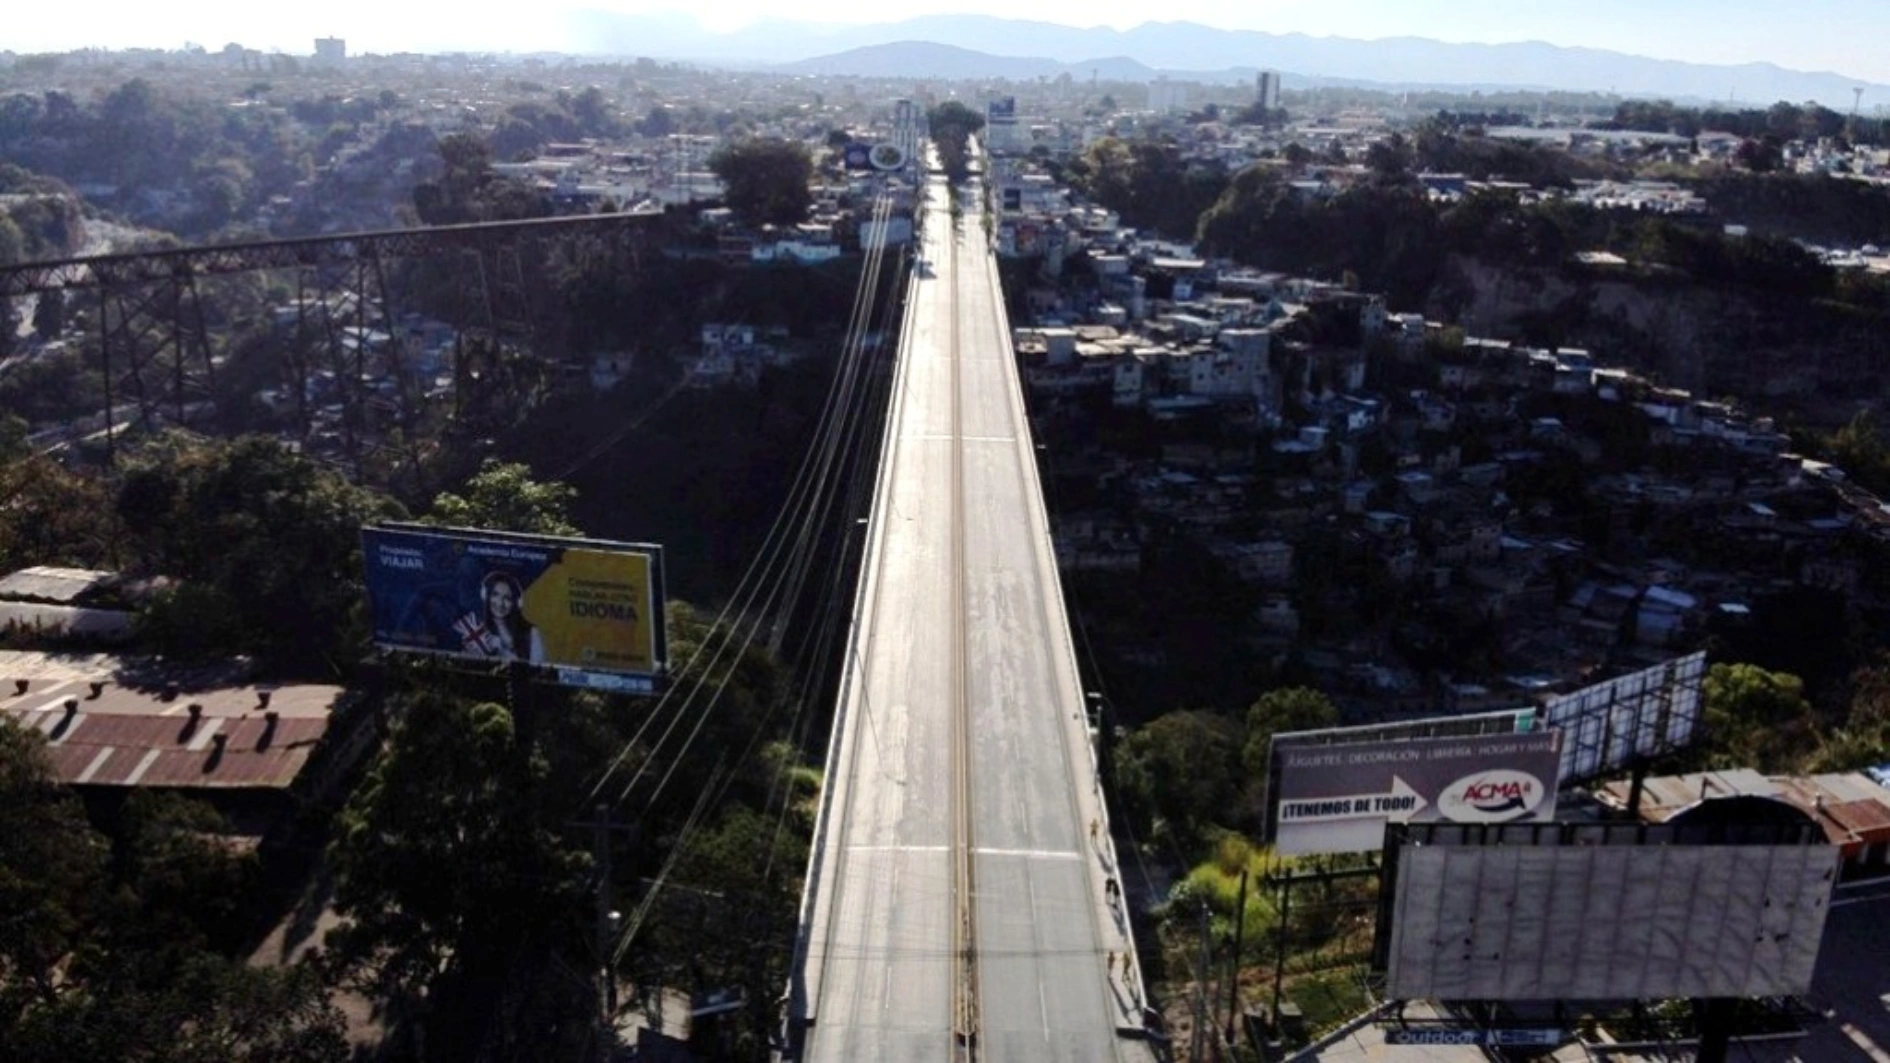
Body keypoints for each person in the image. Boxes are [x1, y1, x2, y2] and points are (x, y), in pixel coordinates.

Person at [454, 571, 544, 662]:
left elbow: (537, 670)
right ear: (485, 595)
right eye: (495, 594)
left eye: (507, 598)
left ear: (517, 603)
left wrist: (505, 650)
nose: (500, 603)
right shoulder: (475, 625)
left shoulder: (531, 633)